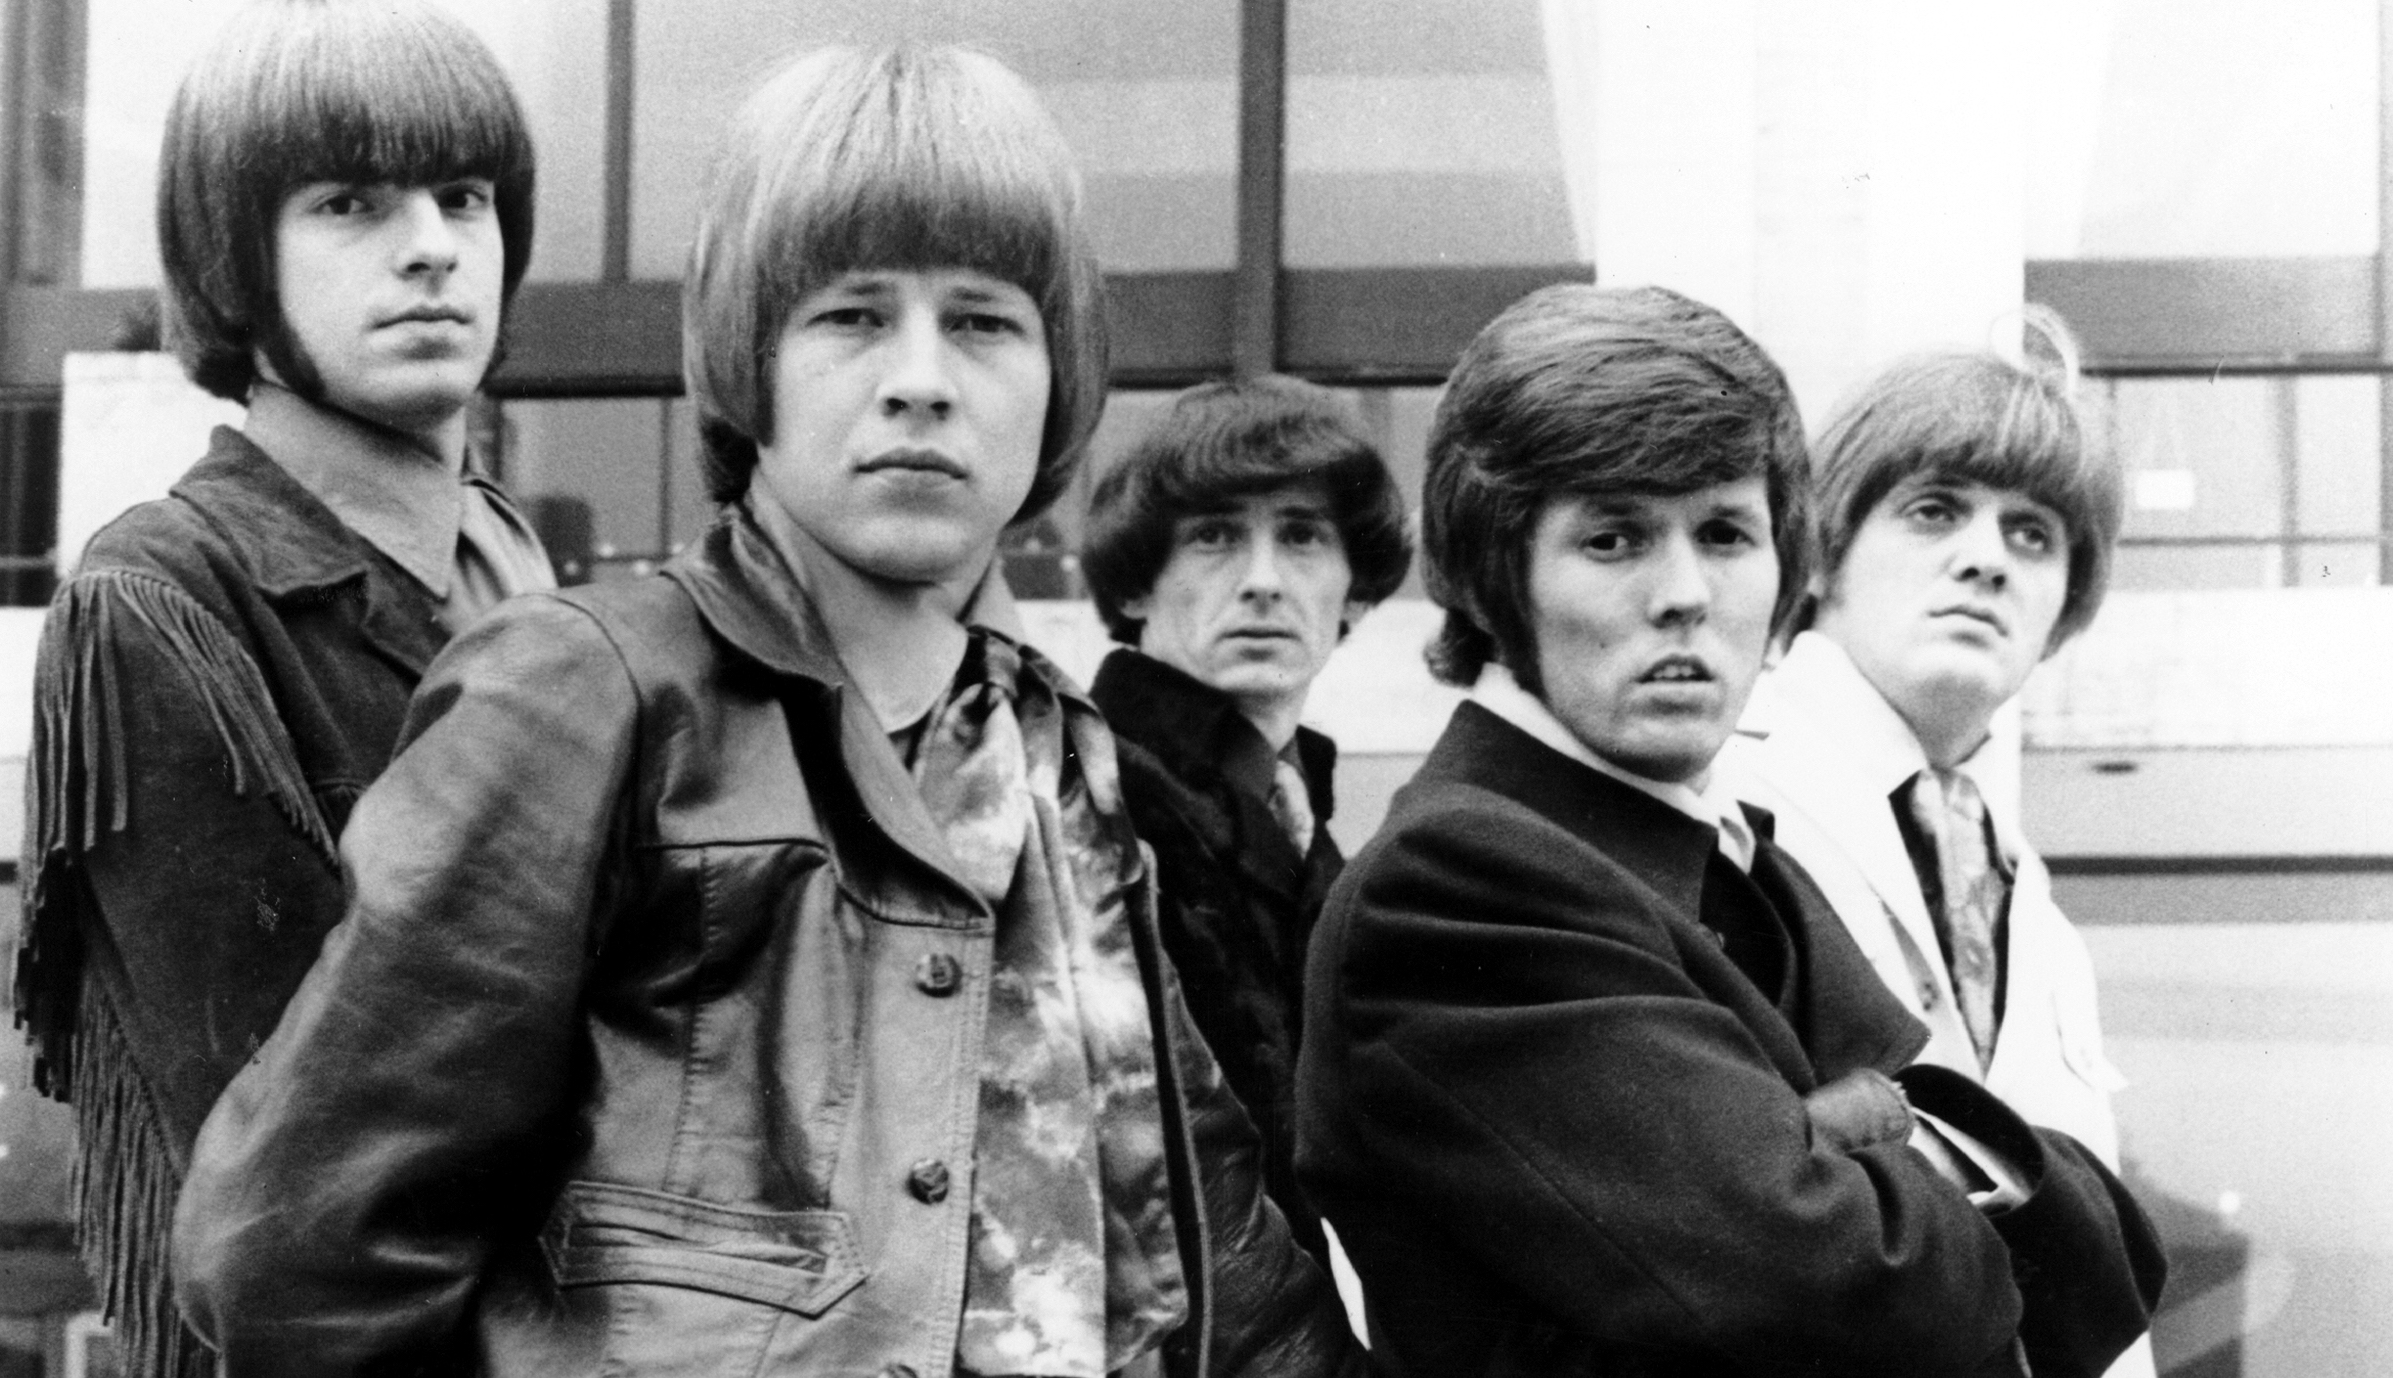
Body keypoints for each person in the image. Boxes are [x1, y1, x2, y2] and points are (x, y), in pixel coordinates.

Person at [172, 45, 1363, 1378]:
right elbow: (301, 1250)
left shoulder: (1062, 752)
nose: (921, 378)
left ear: (1059, 380)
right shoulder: (588, 687)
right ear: (753, 367)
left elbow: (1219, 1251)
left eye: (983, 321)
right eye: (852, 316)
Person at [1295, 283, 2165, 1377]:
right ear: (1491, 572)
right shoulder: (1456, 877)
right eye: (1612, 537)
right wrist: (1907, 1156)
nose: (1684, 593)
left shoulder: (1731, 851)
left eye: (1723, 533)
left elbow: (2113, 1250)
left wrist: (1861, 1162)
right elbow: (1841, 1292)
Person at [10, 4, 550, 1373]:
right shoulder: (159, 597)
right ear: (233, 259)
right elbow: (297, 1162)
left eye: (465, 195)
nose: (431, 244)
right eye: (349, 203)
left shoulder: (513, 560)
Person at [1716, 325, 2152, 1377]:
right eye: (1933, 510)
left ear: (2063, 607)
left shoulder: (2028, 900)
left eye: (2032, 534)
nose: (1985, 558)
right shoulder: (1709, 799)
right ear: (1821, 548)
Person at [1080, 375, 1410, 1269]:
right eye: (1214, 536)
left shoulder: (1298, 803)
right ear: (1137, 585)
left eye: (1301, 537)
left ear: (1354, 591)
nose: (1263, 582)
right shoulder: (1094, 792)